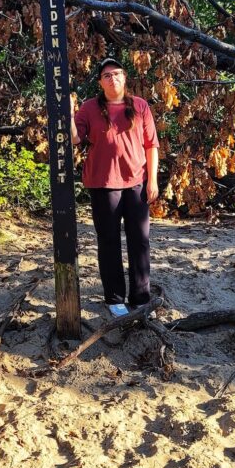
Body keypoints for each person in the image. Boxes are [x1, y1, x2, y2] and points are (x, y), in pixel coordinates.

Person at [70, 57, 159, 316]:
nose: (113, 78)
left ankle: (141, 297)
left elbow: (152, 145)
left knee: (139, 241)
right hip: (103, 184)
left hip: (136, 183)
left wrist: (152, 180)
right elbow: (76, 139)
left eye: (117, 73)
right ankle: (114, 299)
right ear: (100, 81)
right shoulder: (88, 108)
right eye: (107, 75)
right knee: (109, 242)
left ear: (125, 77)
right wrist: (68, 113)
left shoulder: (140, 106)